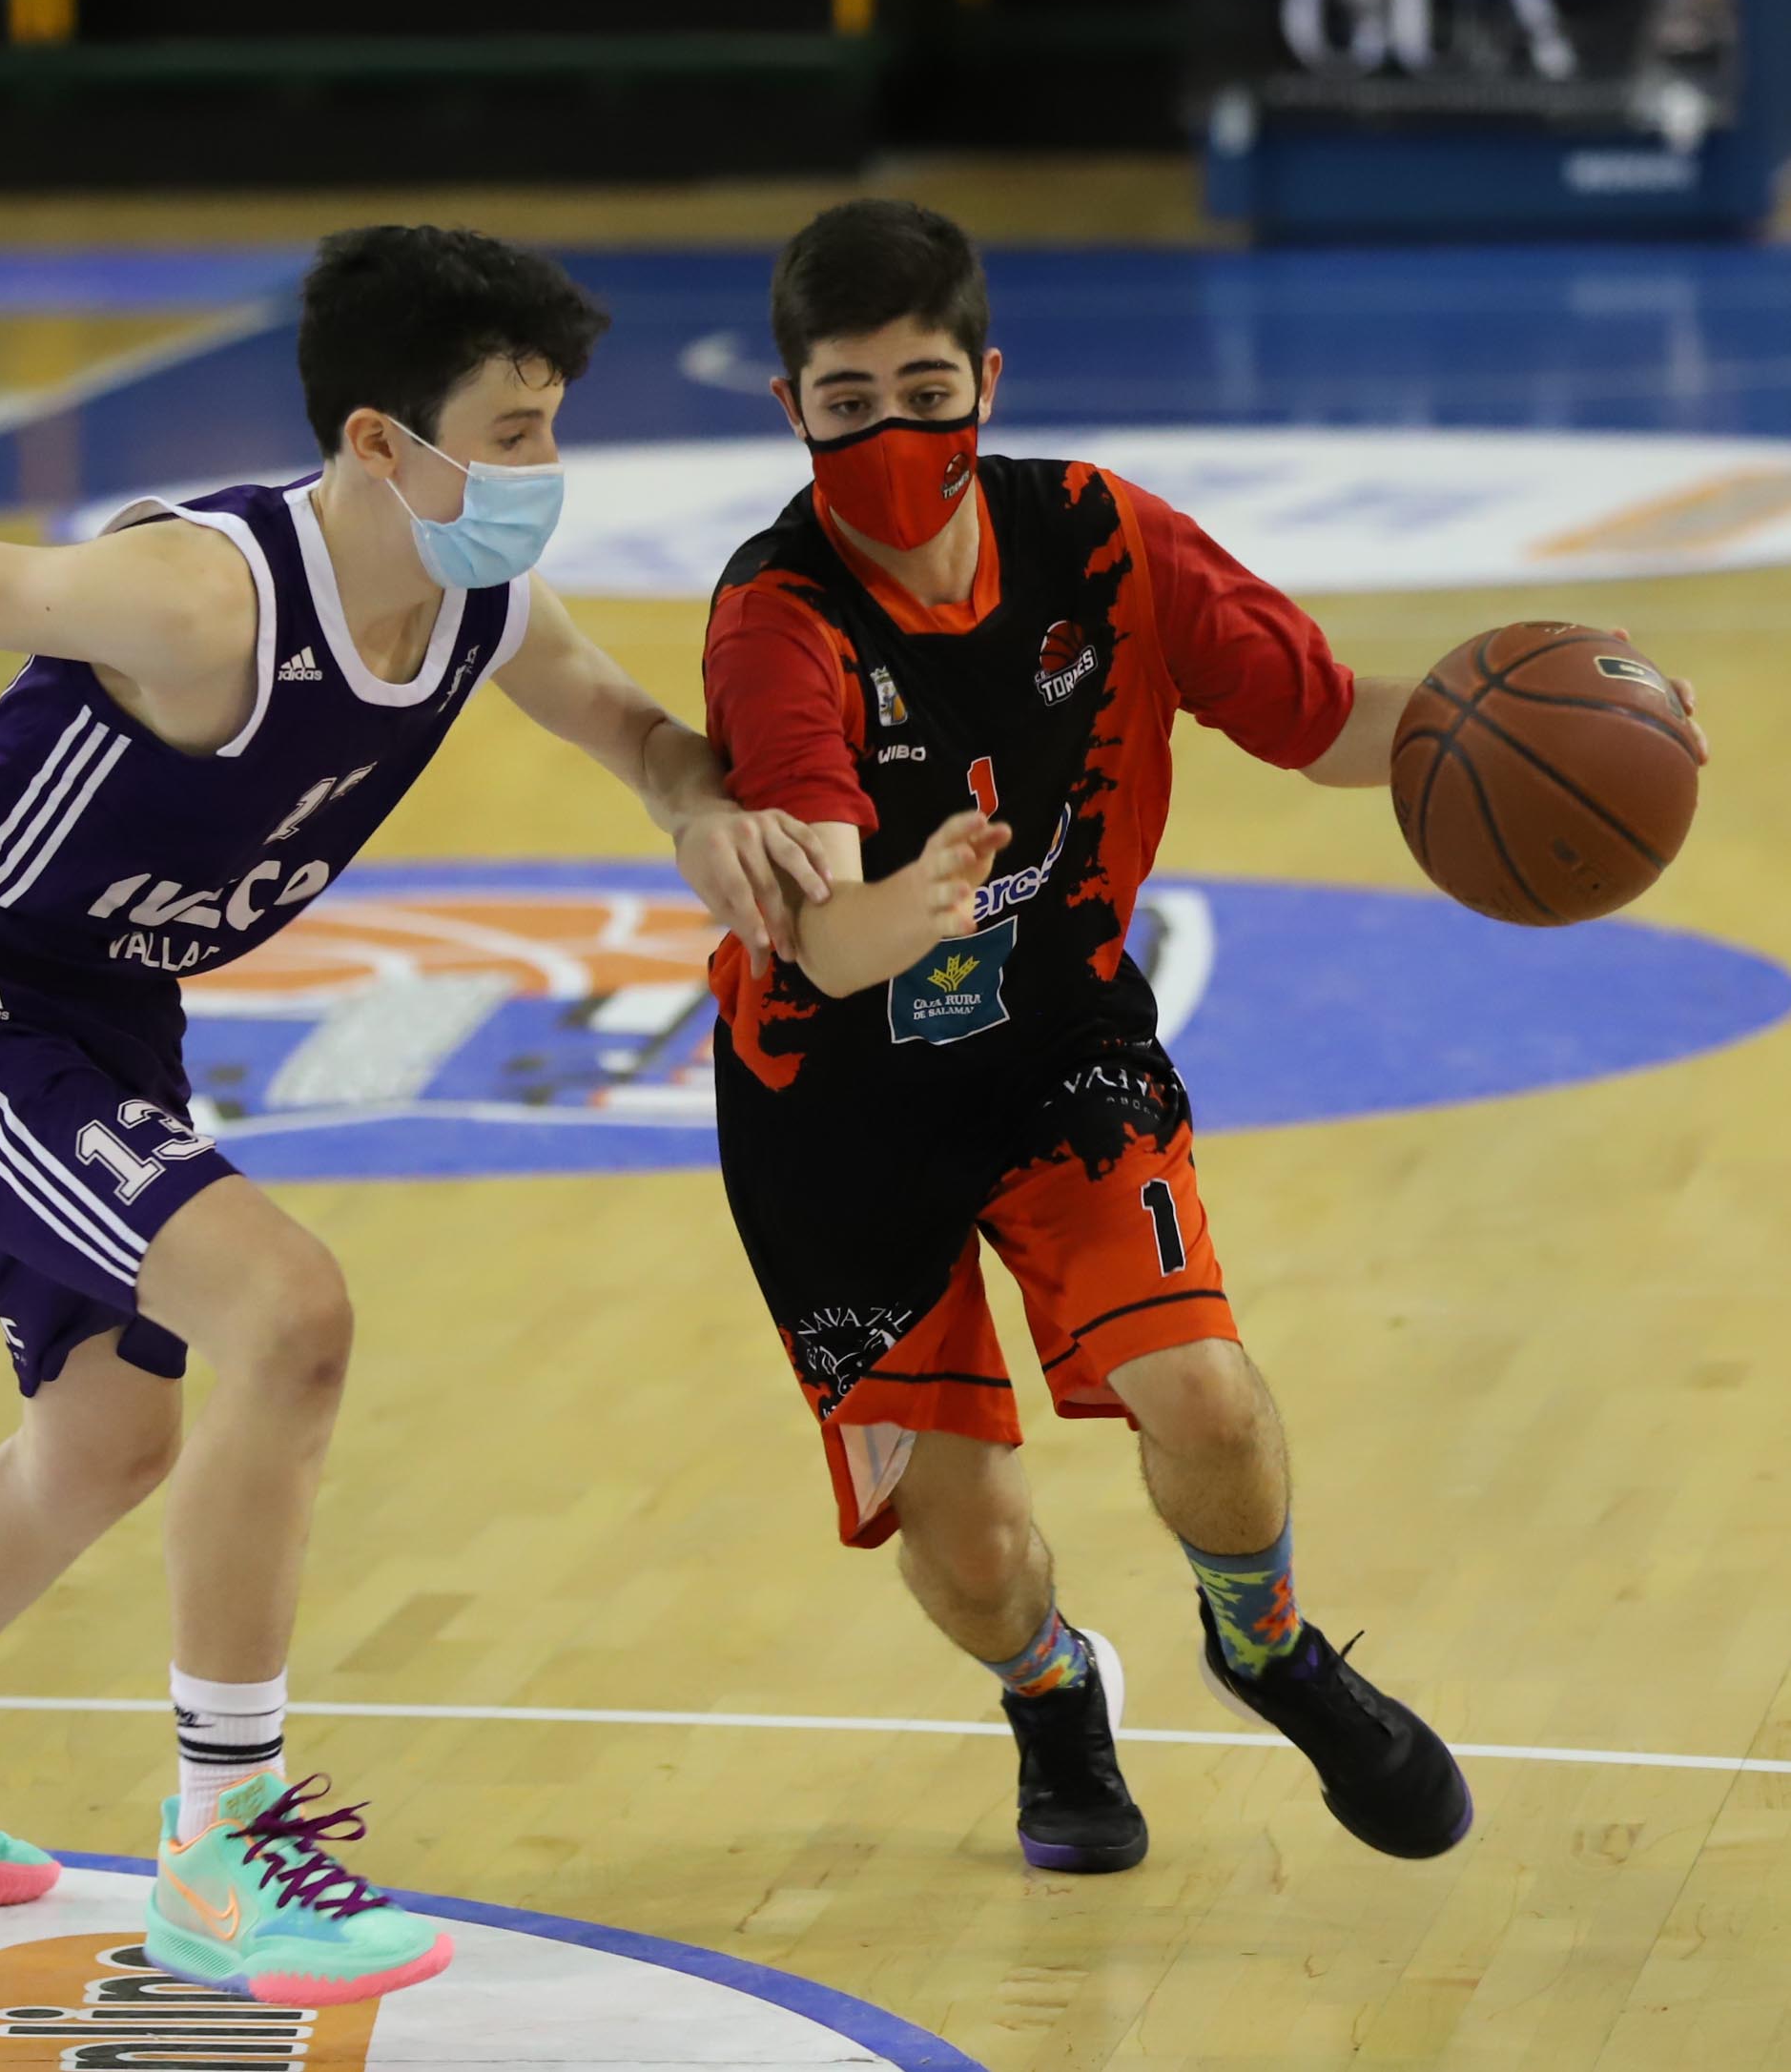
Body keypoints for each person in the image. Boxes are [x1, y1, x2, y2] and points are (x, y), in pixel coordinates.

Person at [0, 225, 824, 2004]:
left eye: (550, 429)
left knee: (105, 1442)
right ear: (380, 442)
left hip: (111, 1020)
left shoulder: (478, 602)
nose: (546, 472)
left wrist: (705, 810)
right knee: (288, 1313)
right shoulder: (199, 598)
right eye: (513, 435)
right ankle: (227, 1844)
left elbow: (636, 732)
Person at [701, 198, 1698, 1875]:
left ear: (986, 382)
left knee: (1210, 1402)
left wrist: (1578, 721)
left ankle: (1266, 1643)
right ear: (790, 406)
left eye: (924, 391)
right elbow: (811, 925)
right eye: (847, 402)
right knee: (972, 1555)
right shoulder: (774, 618)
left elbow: (1325, 721)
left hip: (1057, 1052)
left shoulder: (1102, 537)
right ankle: (1049, 1691)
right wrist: (914, 902)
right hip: (833, 1102)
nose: (891, 434)